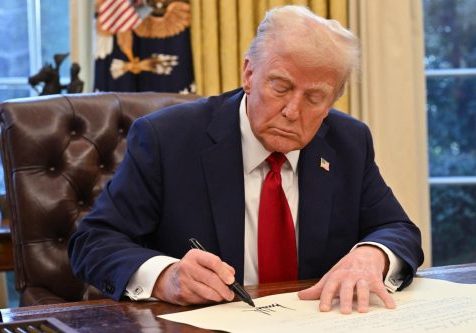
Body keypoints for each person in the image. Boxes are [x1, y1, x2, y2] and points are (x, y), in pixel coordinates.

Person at [68, 5, 424, 314]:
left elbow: (398, 230)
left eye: (314, 98)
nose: (291, 111)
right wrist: (165, 276)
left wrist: (372, 255)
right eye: (281, 87)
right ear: (249, 74)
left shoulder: (348, 141)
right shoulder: (168, 138)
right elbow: (94, 241)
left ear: (332, 100)